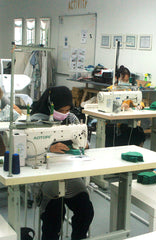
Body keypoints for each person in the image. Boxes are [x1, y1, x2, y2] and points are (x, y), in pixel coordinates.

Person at [30, 86, 94, 240]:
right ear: (51, 105)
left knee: (86, 210)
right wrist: (49, 147)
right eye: (62, 110)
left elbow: (81, 138)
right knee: (55, 215)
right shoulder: (36, 120)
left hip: (69, 171)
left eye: (68, 110)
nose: (65, 113)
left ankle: (78, 236)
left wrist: (84, 143)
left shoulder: (71, 118)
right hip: (45, 174)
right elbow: (30, 150)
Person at [105, 65, 146, 147]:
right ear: (116, 78)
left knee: (140, 134)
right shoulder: (109, 91)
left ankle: (135, 153)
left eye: (127, 80)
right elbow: (106, 107)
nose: (125, 82)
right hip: (111, 124)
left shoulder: (128, 90)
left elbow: (137, 101)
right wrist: (119, 107)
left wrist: (140, 105)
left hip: (125, 124)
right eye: (123, 80)